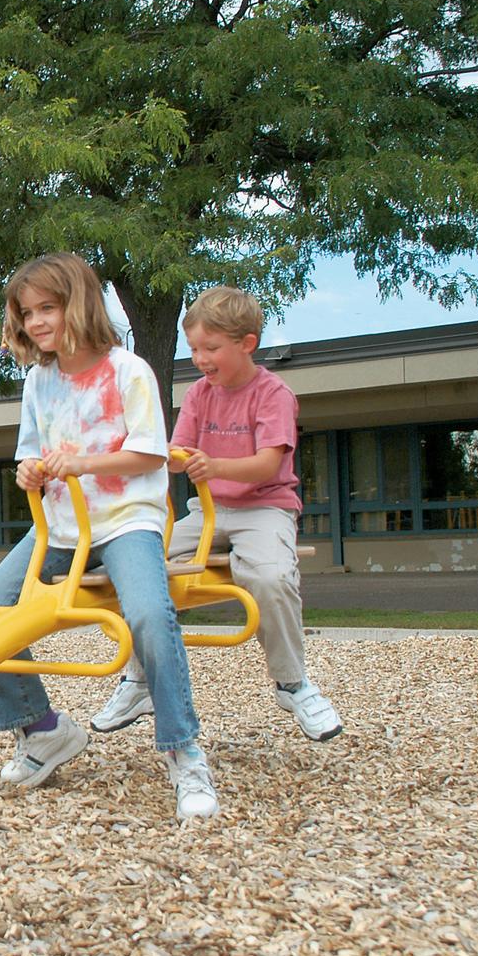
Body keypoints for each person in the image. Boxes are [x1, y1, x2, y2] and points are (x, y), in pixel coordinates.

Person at [0, 252, 219, 820]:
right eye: (26, 313)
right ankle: (43, 729)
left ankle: (184, 752)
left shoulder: (128, 370)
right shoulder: (39, 380)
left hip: (125, 520)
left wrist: (80, 466)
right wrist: (29, 471)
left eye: (46, 308)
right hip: (59, 528)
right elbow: (29, 457)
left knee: (152, 617)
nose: (35, 323)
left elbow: (151, 452)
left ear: (77, 304)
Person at [90, 286, 343, 742]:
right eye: (193, 349)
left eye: (211, 348)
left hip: (264, 508)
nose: (201, 358)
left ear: (246, 343)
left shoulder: (272, 394)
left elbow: (268, 464)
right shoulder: (200, 394)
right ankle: (139, 681)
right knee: (139, 563)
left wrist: (213, 465)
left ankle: (293, 683)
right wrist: (141, 450)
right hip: (207, 511)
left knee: (269, 578)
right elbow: (174, 452)